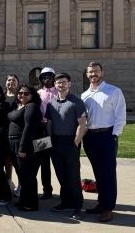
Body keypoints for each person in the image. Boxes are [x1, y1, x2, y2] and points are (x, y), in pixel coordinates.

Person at [82, 62, 126, 223]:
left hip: (107, 136)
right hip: (90, 137)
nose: (93, 74)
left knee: (108, 173)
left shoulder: (113, 91)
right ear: (87, 75)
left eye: (96, 71)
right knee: (98, 173)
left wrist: (114, 136)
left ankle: (108, 208)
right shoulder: (84, 95)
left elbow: (120, 116)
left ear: (102, 72)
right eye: (90, 72)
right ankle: (101, 203)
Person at [46, 72, 87, 220]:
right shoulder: (51, 103)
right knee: (61, 175)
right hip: (55, 143)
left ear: (69, 83)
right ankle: (66, 202)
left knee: (73, 176)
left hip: (70, 142)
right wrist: (48, 143)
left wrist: (75, 144)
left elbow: (82, 124)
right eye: (58, 82)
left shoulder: (76, 101)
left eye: (64, 82)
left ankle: (77, 206)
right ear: (55, 85)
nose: (61, 85)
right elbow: (49, 124)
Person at [8, 84, 43, 212]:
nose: (22, 95)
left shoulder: (32, 106)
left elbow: (28, 128)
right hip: (14, 144)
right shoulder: (18, 106)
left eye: (26, 93)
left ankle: (31, 204)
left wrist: (22, 148)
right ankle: (24, 200)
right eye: (20, 93)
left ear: (32, 95)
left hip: (25, 146)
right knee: (22, 175)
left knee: (28, 175)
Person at [37, 67, 56, 200]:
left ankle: (66, 190)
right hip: (42, 131)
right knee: (44, 162)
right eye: (43, 76)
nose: (46, 78)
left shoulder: (59, 91)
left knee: (59, 161)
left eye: (49, 76)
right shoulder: (38, 93)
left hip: (57, 130)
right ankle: (47, 190)